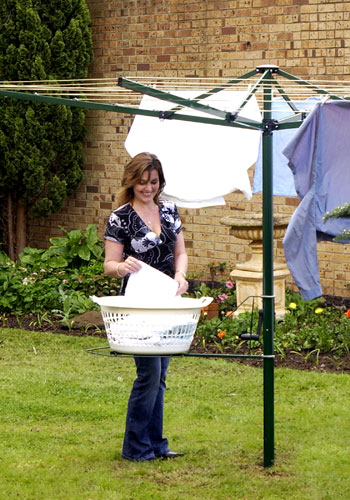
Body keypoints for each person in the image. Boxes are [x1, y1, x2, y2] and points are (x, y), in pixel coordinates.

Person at [104, 152, 188, 462]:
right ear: (131, 182)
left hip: (167, 301)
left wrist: (181, 276)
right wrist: (121, 267)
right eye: (141, 182)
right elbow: (109, 264)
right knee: (149, 374)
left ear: (159, 182)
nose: (148, 188)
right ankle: (135, 447)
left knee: (161, 374)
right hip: (138, 306)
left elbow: (180, 252)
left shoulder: (169, 211)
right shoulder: (120, 217)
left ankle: (156, 444)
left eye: (153, 182)